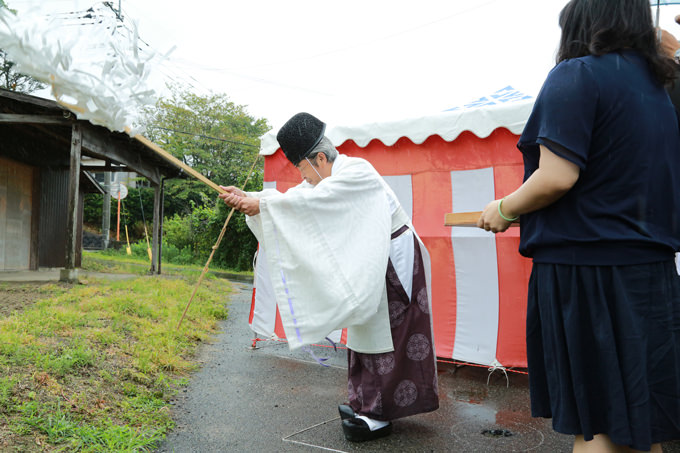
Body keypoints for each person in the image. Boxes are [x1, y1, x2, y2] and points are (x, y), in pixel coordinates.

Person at [477, 1, 680, 452]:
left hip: (586, 274)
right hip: (651, 271)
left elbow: (555, 177)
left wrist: (505, 209)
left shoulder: (577, 75)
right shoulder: (659, 87)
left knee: (598, 425)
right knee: (641, 421)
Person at [219, 112, 439, 442]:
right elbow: (301, 197)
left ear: (320, 158)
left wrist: (260, 204)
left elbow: (311, 200)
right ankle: (366, 402)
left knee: (388, 336)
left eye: (304, 169)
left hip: (395, 260)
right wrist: (256, 199)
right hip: (376, 260)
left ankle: (379, 414)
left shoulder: (356, 173)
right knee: (366, 330)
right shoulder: (337, 177)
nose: (304, 178)